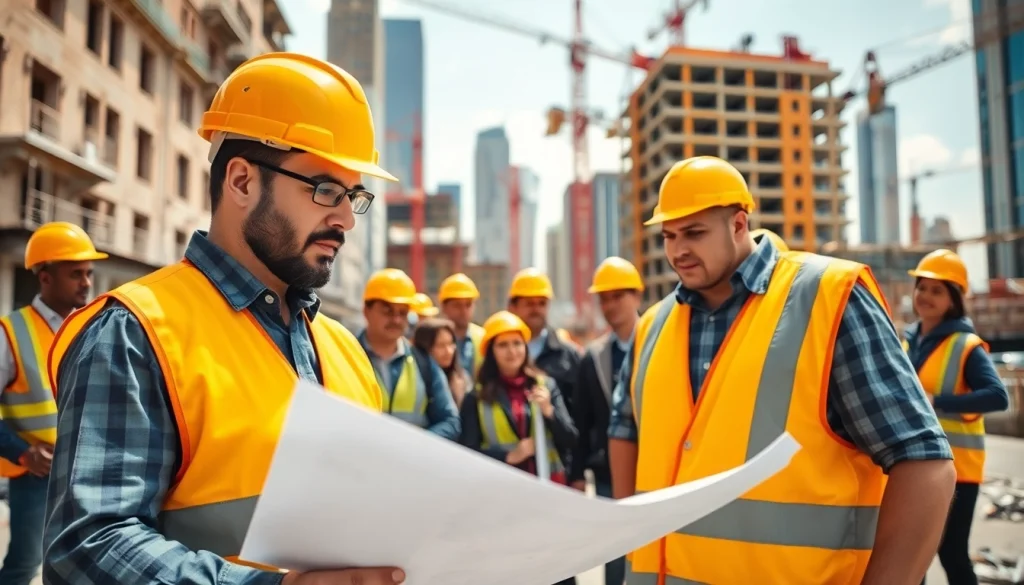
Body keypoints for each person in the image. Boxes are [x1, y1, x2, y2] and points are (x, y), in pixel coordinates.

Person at [43, 53, 406, 585]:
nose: (346, 217)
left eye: (354, 195)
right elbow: (87, 546)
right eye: (326, 189)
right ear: (240, 181)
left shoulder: (345, 349)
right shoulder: (136, 332)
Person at [607, 156, 956, 585]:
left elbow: (923, 462)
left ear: (739, 224)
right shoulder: (652, 328)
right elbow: (625, 431)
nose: (678, 250)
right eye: (669, 236)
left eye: (695, 233)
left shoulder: (827, 297)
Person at [0, 222, 107, 585]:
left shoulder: (93, 328)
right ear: (44, 277)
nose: (87, 283)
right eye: (76, 273)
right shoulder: (10, 331)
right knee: (25, 565)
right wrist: (22, 452)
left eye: (89, 273)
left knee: (77, 568)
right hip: (35, 477)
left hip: (86, 474)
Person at [903, 249, 1008, 585]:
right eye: (922, 287)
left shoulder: (966, 346)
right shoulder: (906, 341)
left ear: (954, 299)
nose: (925, 296)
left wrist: (939, 401)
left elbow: (997, 396)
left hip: (958, 470)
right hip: (913, 466)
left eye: (937, 290)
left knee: (951, 553)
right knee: (910, 555)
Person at [569, 257, 643, 585]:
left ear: (637, 296)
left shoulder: (663, 340)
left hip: (659, 464)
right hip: (608, 472)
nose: (610, 305)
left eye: (618, 296)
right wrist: (577, 473)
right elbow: (582, 422)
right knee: (616, 556)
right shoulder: (593, 357)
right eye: (604, 298)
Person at [458, 311, 577, 484]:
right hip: (501, 487)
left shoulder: (546, 386)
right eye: (503, 345)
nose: (512, 351)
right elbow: (467, 452)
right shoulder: (476, 397)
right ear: (491, 352)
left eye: (517, 343)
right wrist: (509, 456)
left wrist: (549, 412)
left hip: (547, 485)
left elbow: (571, 439)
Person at [360, 269, 460, 440]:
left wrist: (414, 444)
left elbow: (450, 422)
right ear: (366, 311)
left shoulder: (422, 362)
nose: (397, 320)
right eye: (388, 311)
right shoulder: (345, 354)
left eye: (403, 313)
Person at [412, 317, 470, 408]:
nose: (449, 351)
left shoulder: (461, 379)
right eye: (440, 345)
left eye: (451, 344)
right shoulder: (415, 379)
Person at [437, 273, 485, 380]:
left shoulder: (483, 337)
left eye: (468, 305)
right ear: (444, 307)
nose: (463, 311)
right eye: (457, 305)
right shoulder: (433, 338)